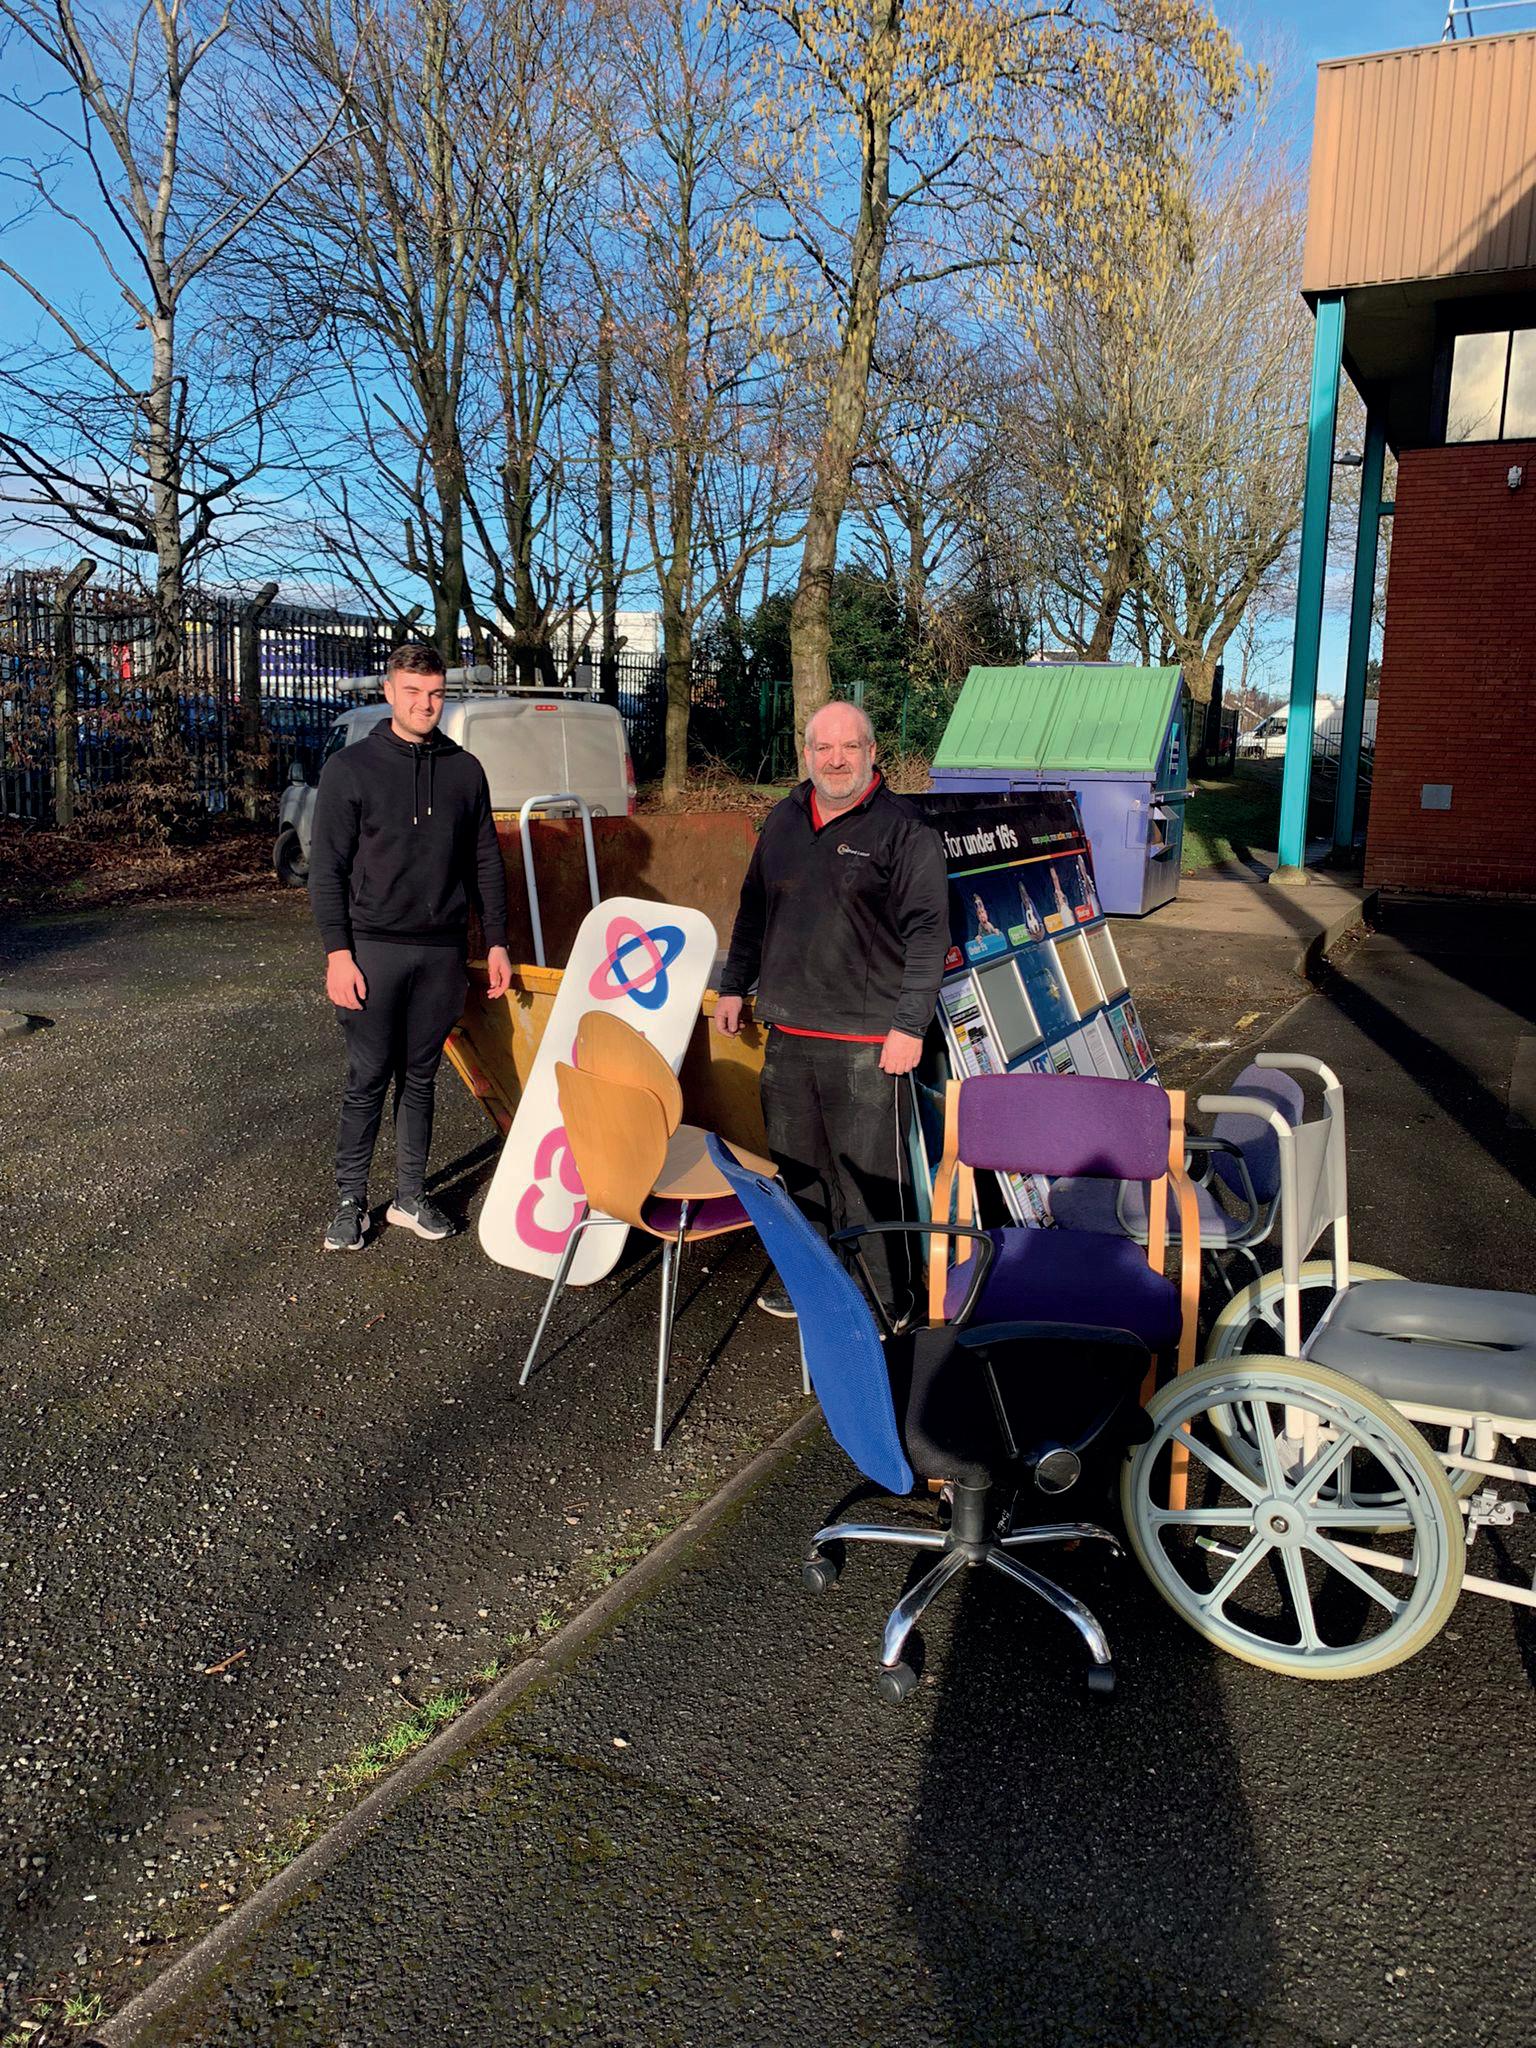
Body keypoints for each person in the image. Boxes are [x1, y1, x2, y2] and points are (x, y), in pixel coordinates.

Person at [714, 700, 948, 1325]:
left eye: (849, 747)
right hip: (788, 1034)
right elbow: (754, 910)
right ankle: (815, 1287)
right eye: (824, 748)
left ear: (872, 753)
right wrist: (734, 986)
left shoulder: (905, 830)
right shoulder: (783, 820)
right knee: (801, 1178)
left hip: (868, 1044)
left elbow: (929, 935)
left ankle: (888, 1303)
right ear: (807, 754)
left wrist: (909, 1025)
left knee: (870, 1185)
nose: (836, 760)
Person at [309, 643, 512, 1252]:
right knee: (369, 1076)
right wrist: (337, 953)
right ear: (390, 693)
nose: (426, 704)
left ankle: (409, 1196)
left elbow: (485, 862)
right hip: (373, 948)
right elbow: (327, 869)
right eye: (413, 692)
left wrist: (496, 940)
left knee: (420, 1077)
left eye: (436, 693)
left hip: (441, 952)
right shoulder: (351, 768)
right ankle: (350, 1201)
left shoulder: (465, 770)